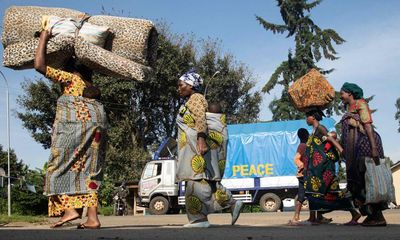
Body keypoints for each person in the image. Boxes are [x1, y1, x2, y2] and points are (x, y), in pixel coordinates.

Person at [35, 30, 108, 229]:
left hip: (77, 126)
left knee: (59, 167)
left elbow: (39, 66)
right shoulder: (91, 86)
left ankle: (70, 209)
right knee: (90, 171)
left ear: (71, 69)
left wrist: (43, 37)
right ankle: (92, 218)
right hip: (99, 125)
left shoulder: (71, 80)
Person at [176, 70, 243, 228]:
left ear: (191, 85)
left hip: (195, 148)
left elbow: (200, 118)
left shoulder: (195, 98)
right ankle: (231, 203)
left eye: (181, 85)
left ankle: (199, 219)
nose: (178, 88)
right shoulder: (192, 99)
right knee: (207, 180)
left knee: (195, 182)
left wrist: (201, 140)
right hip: (193, 148)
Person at [340, 82, 387, 227]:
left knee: (367, 180)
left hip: (365, 147)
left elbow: (367, 125)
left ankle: (378, 216)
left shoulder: (361, 104)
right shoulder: (349, 108)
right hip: (353, 150)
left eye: (342, 93)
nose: (340, 96)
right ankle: (371, 215)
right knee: (356, 182)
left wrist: (373, 148)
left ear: (350, 93)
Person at [303, 109, 354, 224]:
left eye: (307, 117)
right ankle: (316, 217)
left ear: (313, 117)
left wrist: (341, 151)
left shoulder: (321, 128)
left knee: (317, 191)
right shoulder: (314, 131)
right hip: (317, 169)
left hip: (324, 168)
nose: (306, 119)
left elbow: (330, 139)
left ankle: (314, 218)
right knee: (327, 192)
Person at [288, 128, 309, 225]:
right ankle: (298, 216)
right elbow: (296, 158)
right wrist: (303, 166)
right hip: (305, 174)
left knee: (301, 196)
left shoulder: (303, 145)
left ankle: (296, 216)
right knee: (308, 195)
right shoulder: (303, 146)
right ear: (306, 135)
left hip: (302, 174)